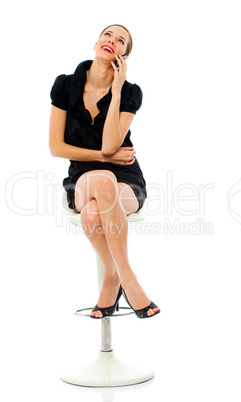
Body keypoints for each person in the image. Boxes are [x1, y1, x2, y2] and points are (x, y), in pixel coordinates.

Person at [49, 24, 160, 319]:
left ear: (124, 55)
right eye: (108, 35)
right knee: (102, 176)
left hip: (127, 178)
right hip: (82, 177)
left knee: (91, 213)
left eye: (121, 40)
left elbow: (113, 143)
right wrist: (103, 158)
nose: (112, 40)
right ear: (97, 42)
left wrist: (117, 89)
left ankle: (111, 277)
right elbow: (57, 147)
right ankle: (129, 278)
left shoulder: (131, 92)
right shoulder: (65, 85)